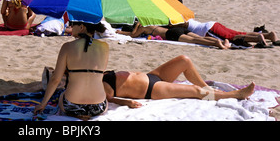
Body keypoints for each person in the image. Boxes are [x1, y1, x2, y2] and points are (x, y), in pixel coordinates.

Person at [103, 55, 255, 108]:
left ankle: (208, 89)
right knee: (195, 91)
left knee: (184, 60)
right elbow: (107, 99)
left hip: (151, 76)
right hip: (151, 90)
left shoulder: (97, 72)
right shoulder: (96, 85)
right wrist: (127, 102)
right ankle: (235, 95)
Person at [34, 21, 109, 119]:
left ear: (82, 27)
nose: (71, 27)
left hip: (71, 106)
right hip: (99, 106)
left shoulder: (67, 46)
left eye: (73, 25)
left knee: (62, 95)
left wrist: (42, 104)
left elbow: (55, 79)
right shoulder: (105, 47)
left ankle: (80, 114)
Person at [116, 21, 230, 49]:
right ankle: (220, 41)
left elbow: (133, 35)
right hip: (178, 29)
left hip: (171, 34)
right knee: (198, 38)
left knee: (196, 41)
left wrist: (123, 32)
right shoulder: (151, 22)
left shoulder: (143, 27)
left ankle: (217, 43)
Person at [183, 19, 280, 48]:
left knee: (232, 38)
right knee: (238, 33)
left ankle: (258, 38)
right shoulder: (186, 17)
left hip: (208, 30)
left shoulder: (181, 22)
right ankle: (269, 35)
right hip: (212, 25)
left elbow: (177, 25)